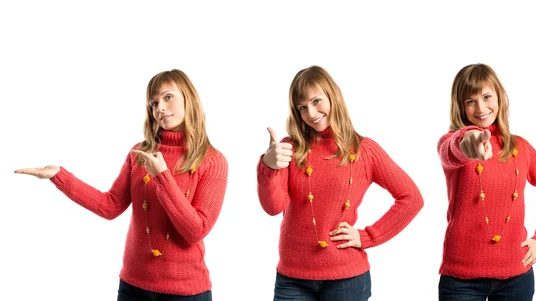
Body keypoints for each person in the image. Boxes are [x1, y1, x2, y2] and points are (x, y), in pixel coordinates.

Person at [15, 69, 228, 300]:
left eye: (168, 97)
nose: (160, 108)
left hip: (186, 293)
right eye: (154, 103)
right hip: (133, 287)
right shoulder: (140, 153)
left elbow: (195, 231)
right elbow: (110, 206)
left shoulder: (212, 161)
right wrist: (60, 176)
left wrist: (163, 177)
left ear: (189, 97)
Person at [257, 65, 424, 300]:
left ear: (333, 95)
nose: (311, 113)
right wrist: (269, 166)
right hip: (292, 279)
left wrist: (367, 236)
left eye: (316, 101)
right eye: (302, 107)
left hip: (347, 280)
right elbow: (273, 207)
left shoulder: (365, 150)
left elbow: (412, 198)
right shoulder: (290, 148)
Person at [437, 63, 536, 300]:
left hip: (516, 279)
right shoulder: (452, 141)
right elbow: (453, 149)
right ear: (460, 106)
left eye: (487, 97)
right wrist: (469, 140)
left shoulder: (521, 148)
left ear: (499, 98)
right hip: (461, 282)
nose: (481, 107)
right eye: (470, 101)